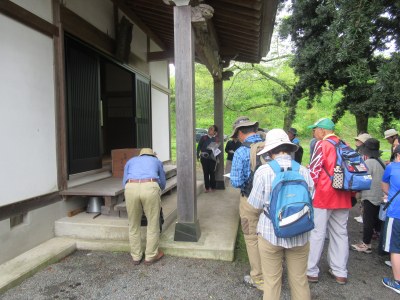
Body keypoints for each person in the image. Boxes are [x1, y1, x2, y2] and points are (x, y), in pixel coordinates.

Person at [248, 129, 314, 300]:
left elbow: (255, 204)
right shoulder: (303, 171)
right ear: (289, 148)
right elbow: (311, 198)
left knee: (272, 281)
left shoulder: (264, 171)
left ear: (270, 151)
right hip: (300, 232)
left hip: (270, 232)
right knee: (300, 280)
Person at [306, 118, 352, 285]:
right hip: (344, 195)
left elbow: (314, 171)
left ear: (323, 131)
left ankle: (311, 270)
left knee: (317, 232)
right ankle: (340, 271)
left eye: (315, 129)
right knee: (340, 232)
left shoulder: (322, 145)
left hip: (324, 195)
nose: (313, 132)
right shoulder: (345, 144)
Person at [230, 116, 264, 290]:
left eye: (237, 135)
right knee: (268, 236)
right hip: (272, 201)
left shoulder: (241, 151)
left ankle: (258, 277)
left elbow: (236, 181)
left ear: (241, 133)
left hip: (250, 200)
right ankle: (273, 272)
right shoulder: (272, 146)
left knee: (251, 237)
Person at [122, 148, 166, 265]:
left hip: (131, 186)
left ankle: (136, 256)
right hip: (150, 185)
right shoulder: (156, 162)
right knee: (152, 222)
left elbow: (124, 181)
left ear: (140, 155)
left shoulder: (131, 161)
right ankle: (150, 256)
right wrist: (157, 190)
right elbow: (162, 182)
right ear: (152, 155)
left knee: (133, 224)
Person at [351, 138, 385, 253]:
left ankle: (366, 244)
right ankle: (376, 240)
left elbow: (362, 178)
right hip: (380, 195)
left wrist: (356, 191)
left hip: (370, 196)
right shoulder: (380, 161)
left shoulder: (369, 163)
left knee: (368, 221)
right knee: (376, 220)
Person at [381, 145, 400, 294]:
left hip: (396, 212)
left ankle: (397, 281)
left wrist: (391, 195)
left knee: (395, 248)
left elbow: (384, 185)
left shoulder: (392, 167)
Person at [353, 133, 372, 224]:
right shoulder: (361, 151)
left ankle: (363, 216)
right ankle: (362, 215)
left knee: (362, 198)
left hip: (363, 177)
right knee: (361, 199)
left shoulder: (364, 154)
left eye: (358, 140)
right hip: (362, 177)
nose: (356, 142)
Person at [197, 125, 219, 192]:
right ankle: (207, 188)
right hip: (204, 158)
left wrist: (217, 158)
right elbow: (199, 147)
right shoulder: (203, 138)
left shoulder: (216, 139)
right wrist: (197, 155)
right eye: (209, 128)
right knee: (206, 172)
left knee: (212, 172)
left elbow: (216, 150)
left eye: (211, 129)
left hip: (212, 158)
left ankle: (213, 187)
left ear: (214, 132)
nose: (209, 130)